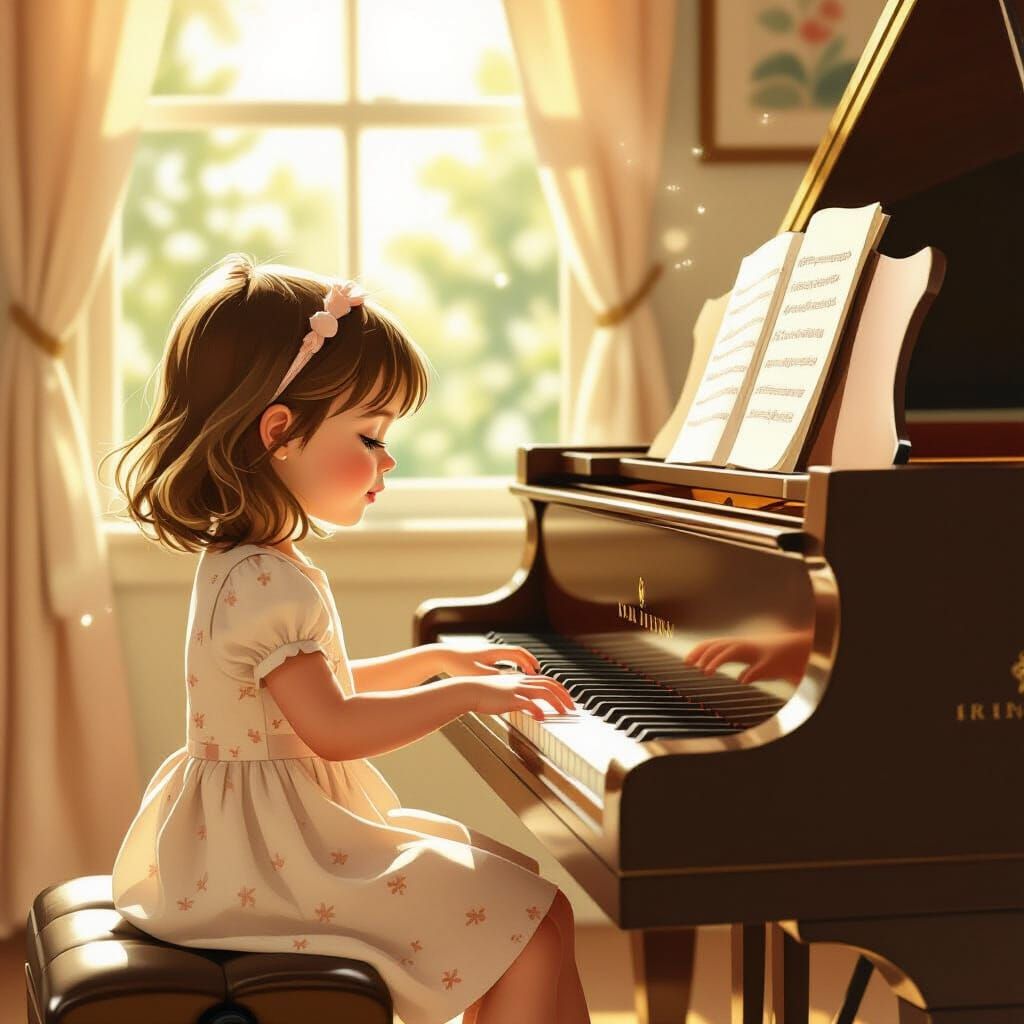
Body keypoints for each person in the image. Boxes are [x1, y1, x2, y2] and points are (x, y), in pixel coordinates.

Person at [104, 253, 591, 1024]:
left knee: (539, 903)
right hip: (270, 860)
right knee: (528, 928)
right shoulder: (267, 579)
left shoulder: (249, 562)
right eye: (369, 436)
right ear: (280, 433)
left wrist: (433, 660)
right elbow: (330, 729)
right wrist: (459, 694)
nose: (386, 459)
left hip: (276, 837)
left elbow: (305, 695)